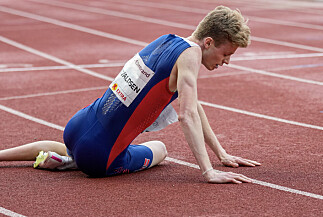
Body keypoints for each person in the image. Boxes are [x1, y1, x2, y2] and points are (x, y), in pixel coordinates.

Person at [0, 6, 260, 183]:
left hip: (77, 126)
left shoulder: (167, 39)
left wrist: (221, 154)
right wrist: (208, 171)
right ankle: (71, 161)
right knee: (160, 149)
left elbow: (194, 105)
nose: (226, 62)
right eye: (226, 54)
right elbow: (188, 114)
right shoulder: (191, 55)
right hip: (100, 157)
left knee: (78, 146)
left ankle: (52, 158)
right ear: (209, 42)